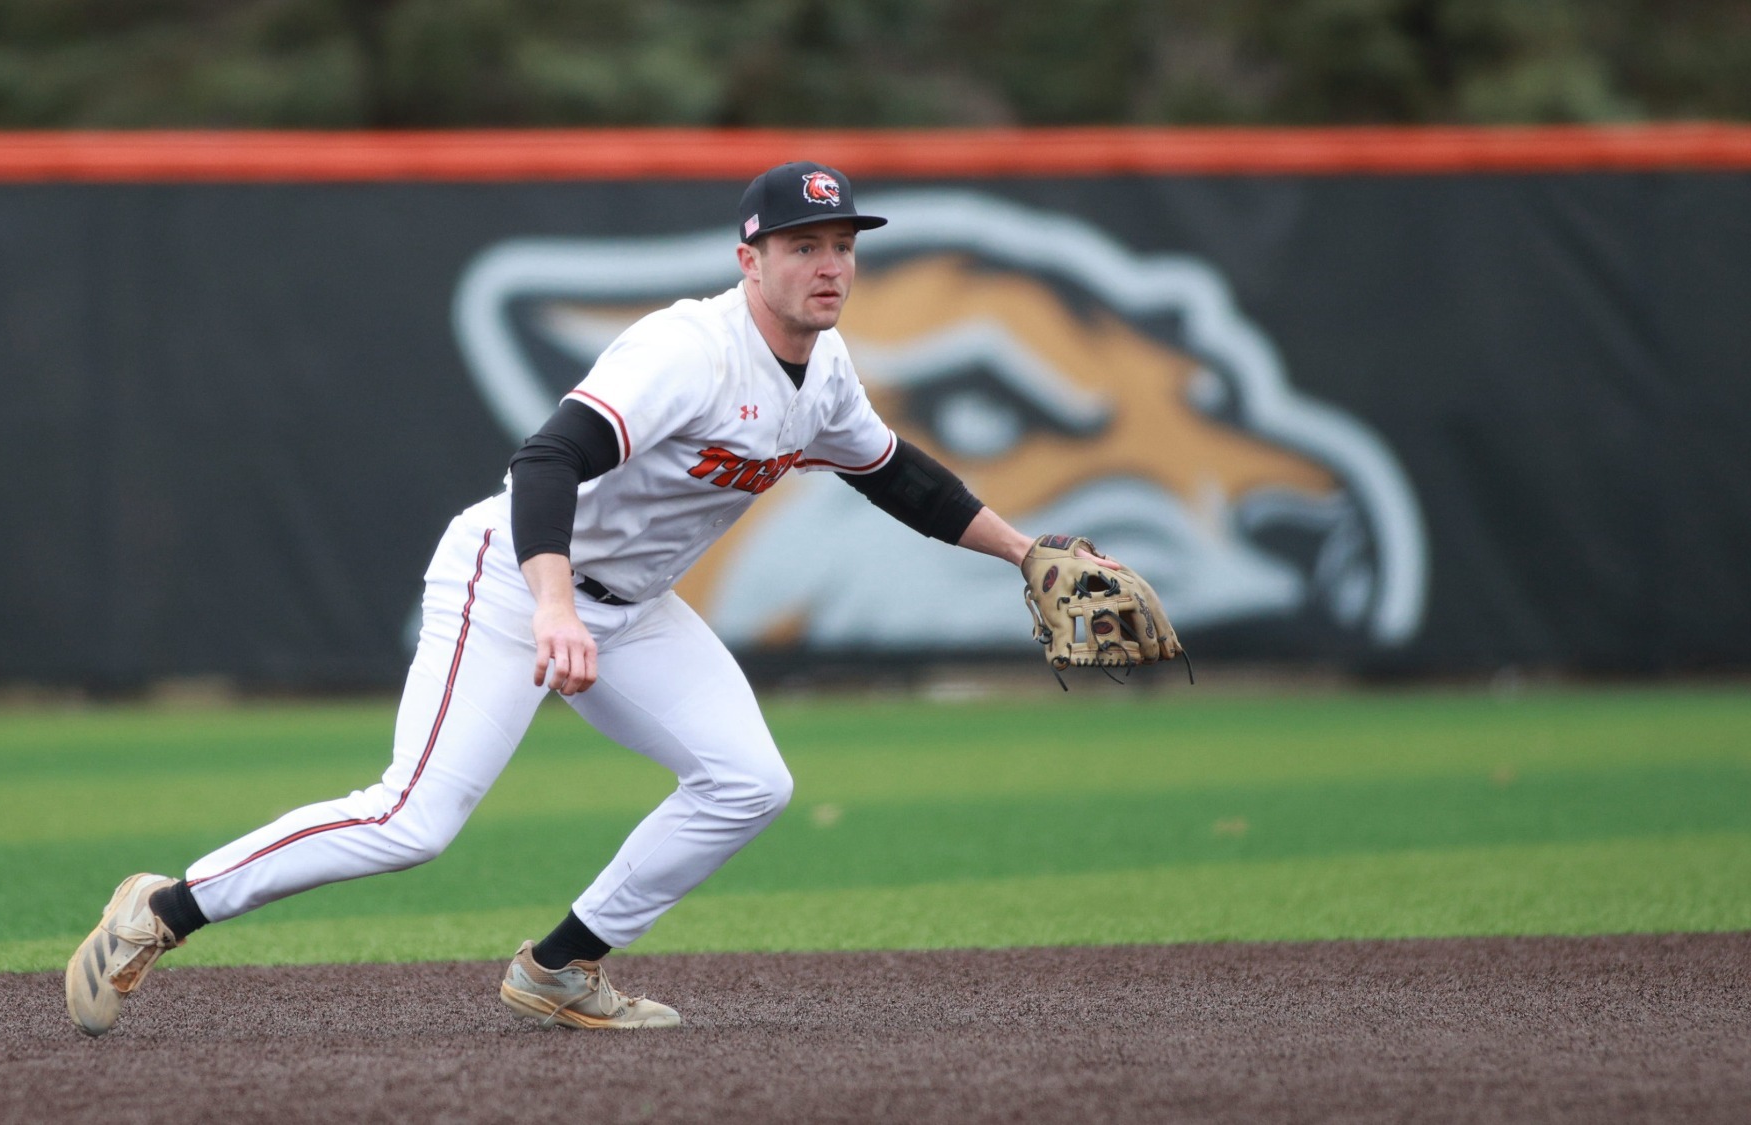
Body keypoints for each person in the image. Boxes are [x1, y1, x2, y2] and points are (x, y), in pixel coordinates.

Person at [64, 160, 1120, 1034]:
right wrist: (556, 606)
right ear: (749, 259)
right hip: (511, 580)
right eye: (803, 246)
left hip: (634, 606)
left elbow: (897, 476)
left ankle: (559, 967)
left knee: (748, 783)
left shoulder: (824, 367)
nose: (829, 264)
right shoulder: (688, 348)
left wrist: (1025, 555)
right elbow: (546, 460)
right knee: (412, 821)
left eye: (842, 245)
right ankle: (159, 910)